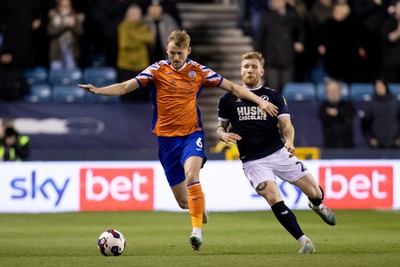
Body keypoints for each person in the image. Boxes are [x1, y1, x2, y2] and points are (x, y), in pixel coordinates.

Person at [79, 30, 278, 252]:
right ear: (167, 50)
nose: (175, 58)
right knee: (184, 202)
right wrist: (98, 91)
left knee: (192, 174)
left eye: (180, 53)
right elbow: (126, 87)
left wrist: (259, 101)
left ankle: (196, 234)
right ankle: (198, 204)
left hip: (192, 135)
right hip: (166, 141)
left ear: (188, 51)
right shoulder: (156, 70)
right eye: (172, 53)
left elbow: (232, 87)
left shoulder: (198, 71)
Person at [216, 52, 336, 254]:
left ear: (262, 71)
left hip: (279, 152)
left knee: (316, 193)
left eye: (254, 66)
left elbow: (286, 125)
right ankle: (304, 241)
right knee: (272, 196)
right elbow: (220, 128)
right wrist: (222, 135)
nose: (249, 70)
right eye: (246, 66)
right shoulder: (227, 99)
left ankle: (317, 205)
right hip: (253, 160)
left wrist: (289, 141)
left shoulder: (273, 96)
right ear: (240, 70)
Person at [117, 4, 154, 102]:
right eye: (132, 14)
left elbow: (150, 38)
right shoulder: (123, 26)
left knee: (141, 97)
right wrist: (141, 41)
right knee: (128, 97)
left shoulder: (144, 27)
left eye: (136, 14)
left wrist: (133, 36)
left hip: (141, 67)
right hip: (126, 67)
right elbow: (124, 45)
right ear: (127, 15)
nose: (134, 16)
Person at [361, 79, 400, 148]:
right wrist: (370, 138)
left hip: (395, 143)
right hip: (377, 144)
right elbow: (365, 124)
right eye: (377, 87)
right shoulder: (371, 104)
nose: (379, 89)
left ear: (386, 87)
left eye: (381, 86)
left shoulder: (395, 102)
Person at [47, 0, 85, 70]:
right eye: (63, 5)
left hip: (71, 52)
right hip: (56, 53)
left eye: (67, 5)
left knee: (72, 73)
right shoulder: (53, 15)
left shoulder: (75, 15)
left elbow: (80, 32)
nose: (65, 7)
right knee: (56, 75)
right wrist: (64, 25)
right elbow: (50, 32)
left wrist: (72, 25)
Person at [318, 79, 355, 148]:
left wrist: (337, 112)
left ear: (340, 91)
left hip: (348, 147)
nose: (333, 93)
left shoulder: (347, 105)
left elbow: (349, 114)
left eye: (335, 90)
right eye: (330, 91)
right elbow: (324, 118)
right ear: (326, 93)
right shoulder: (323, 106)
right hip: (330, 147)